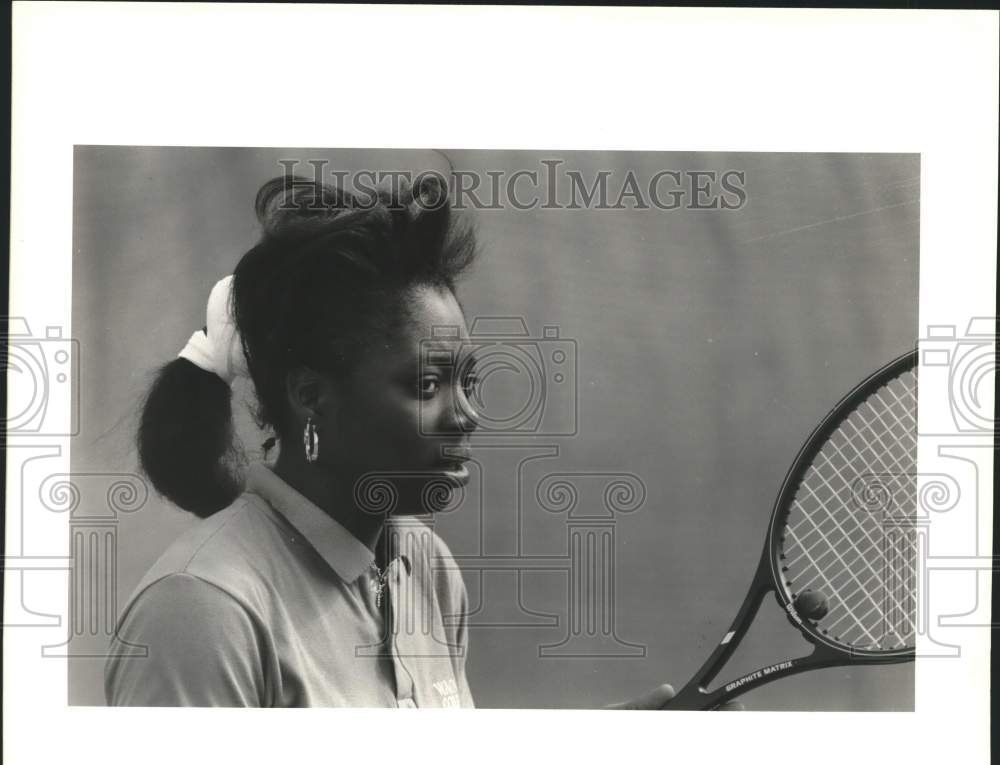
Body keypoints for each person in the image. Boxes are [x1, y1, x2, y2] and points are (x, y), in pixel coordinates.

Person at [104, 172, 695, 710]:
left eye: (469, 381)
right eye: (428, 383)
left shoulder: (426, 567)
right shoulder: (201, 609)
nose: (467, 415)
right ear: (311, 395)